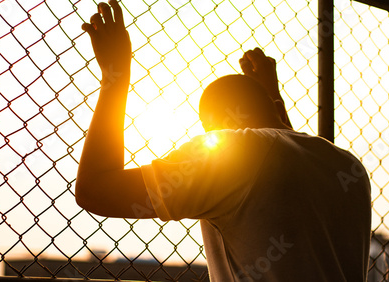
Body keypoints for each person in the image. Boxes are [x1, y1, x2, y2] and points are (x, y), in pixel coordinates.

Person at [75, 1, 372, 281]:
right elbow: (289, 163)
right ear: (273, 109)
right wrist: (273, 99)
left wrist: (115, 76)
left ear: (217, 129)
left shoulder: (233, 152)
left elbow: (94, 190)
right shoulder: (346, 166)